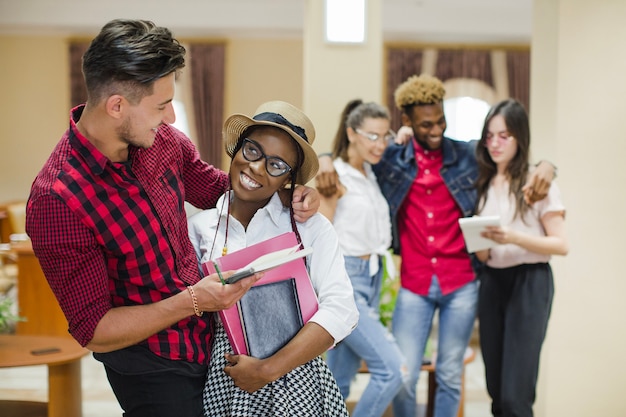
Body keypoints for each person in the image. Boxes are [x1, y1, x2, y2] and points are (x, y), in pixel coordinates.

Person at [25, 19, 319, 417]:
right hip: (150, 368)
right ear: (116, 106)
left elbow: (223, 192)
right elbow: (94, 330)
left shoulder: (161, 141)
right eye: (162, 106)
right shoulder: (56, 199)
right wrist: (194, 300)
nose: (172, 119)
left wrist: (292, 194)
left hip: (209, 343)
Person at [316, 74, 556, 417]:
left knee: (448, 373)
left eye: (440, 120)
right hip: (413, 283)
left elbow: (512, 159)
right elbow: (350, 156)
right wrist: (324, 158)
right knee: (405, 374)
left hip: (461, 281)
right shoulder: (390, 158)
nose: (436, 129)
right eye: (426, 124)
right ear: (408, 122)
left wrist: (548, 166)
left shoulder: (467, 154)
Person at [187, 100, 359, 417]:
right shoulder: (199, 229)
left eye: (277, 165)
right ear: (237, 148)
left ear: (289, 179)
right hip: (228, 379)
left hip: (298, 378)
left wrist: (268, 369)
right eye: (253, 151)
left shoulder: (311, 227)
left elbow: (342, 309)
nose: (257, 168)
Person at [473, 99, 568, 417]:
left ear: (520, 138)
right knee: (496, 390)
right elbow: (485, 253)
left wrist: (512, 237)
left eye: (505, 135)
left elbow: (561, 244)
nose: (495, 144)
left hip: (530, 282)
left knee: (516, 395)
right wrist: (480, 245)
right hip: (492, 282)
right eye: (490, 136)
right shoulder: (484, 183)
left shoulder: (538, 182)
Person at [319, 99, 405, 417]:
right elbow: (322, 234)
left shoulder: (370, 173)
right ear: (352, 133)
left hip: (374, 276)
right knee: (393, 370)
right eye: (372, 136)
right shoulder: (334, 177)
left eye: (385, 136)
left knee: (339, 381)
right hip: (347, 280)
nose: (380, 144)